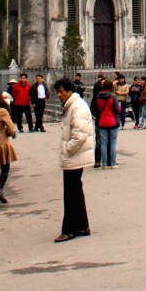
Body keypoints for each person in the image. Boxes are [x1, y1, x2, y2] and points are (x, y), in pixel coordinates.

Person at [54, 77, 94, 243]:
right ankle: (83, 226)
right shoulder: (73, 105)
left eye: (61, 92)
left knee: (71, 192)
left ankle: (69, 229)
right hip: (75, 155)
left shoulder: (77, 107)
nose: (58, 95)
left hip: (74, 155)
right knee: (75, 190)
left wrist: (67, 149)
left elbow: (80, 135)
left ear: (70, 91)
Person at [91, 79, 120, 168]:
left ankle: (103, 163)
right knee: (113, 143)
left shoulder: (98, 96)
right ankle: (112, 163)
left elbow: (96, 108)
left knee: (103, 143)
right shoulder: (113, 96)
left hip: (102, 121)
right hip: (112, 121)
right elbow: (117, 109)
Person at [90, 73, 107, 166]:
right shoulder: (111, 96)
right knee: (107, 141)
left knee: (98, 142)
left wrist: (96, 115)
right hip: (108, 121)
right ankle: (108, 160)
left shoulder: (96, 97)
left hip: (99, 120)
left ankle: (97, 161)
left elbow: (92, 108)